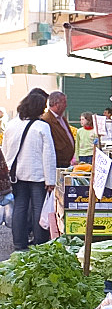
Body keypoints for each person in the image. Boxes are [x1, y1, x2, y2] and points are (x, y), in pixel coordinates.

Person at [2, 89, 56, 250]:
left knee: (20, 207)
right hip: (37, 175)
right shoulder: (42, 127)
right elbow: (48, 155)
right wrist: (50, 180)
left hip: (16, 175)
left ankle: (19, 243)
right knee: (39, 208)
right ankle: (40, 242)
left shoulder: (11, 125)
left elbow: (4, 152)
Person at [43, 90, 75, 168]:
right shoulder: (47, 120)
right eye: (64, 102)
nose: (66, 105)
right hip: (57, 163)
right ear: (56, 104)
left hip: (65, 163)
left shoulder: (62, 118)